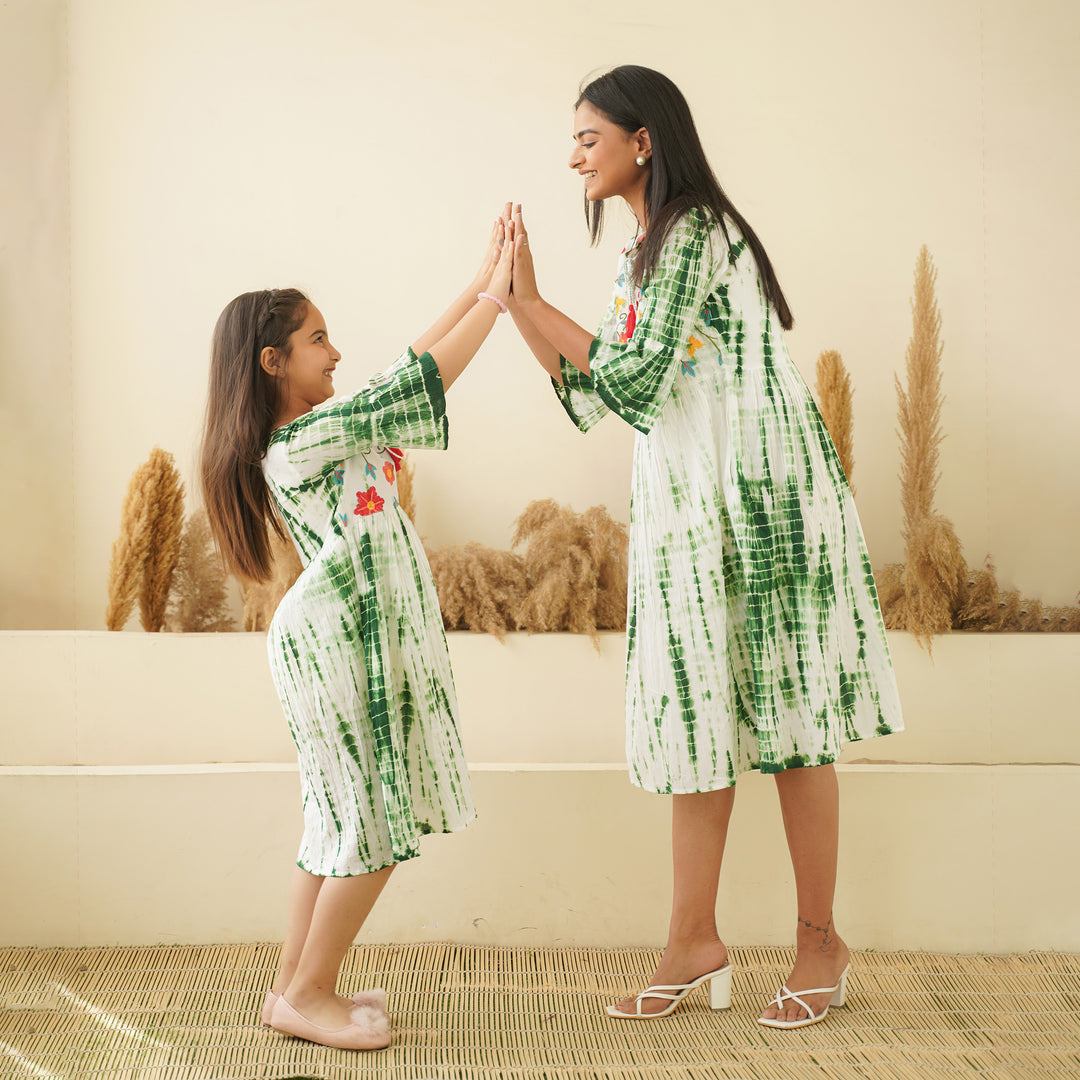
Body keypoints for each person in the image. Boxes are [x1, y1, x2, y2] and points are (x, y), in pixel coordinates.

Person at [506, 66, 903, 1028]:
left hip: (766, 507)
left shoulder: (693, 234)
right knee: (694, 720)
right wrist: (520, 306)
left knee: (793, 726)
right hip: (689, 514)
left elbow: (633, 380)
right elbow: (597, 394)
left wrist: (530, 294)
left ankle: (821, 943)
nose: (572, 157)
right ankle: (693, 939)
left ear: (644, 140)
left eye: (587, 138)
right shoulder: (643, 253)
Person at [199, 214, 515, 1050]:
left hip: (342, 637)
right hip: (340, 642)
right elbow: (418, 382)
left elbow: (402, 373)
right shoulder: (299, 441)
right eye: (317, 338)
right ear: (274, 363)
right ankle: (311, 992)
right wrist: (497, 299)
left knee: (337, 823)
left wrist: (483, 280)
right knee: (372, 822)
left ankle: (294, 990)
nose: (334, 353)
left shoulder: (315, 431)